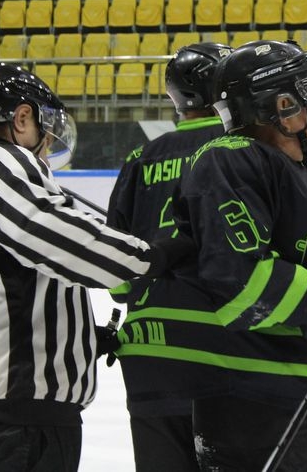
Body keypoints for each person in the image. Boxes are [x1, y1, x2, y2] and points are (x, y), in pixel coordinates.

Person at [118, 40, 307, 471]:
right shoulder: (233, 158)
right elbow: (241, 281)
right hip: (251, 382)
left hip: (284, 381)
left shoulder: (300, 159)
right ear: (282, 106)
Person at [0, 63, 193, 472]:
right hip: (14, 421)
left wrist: (77, 338)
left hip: (2, 416)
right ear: (22, 118)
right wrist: (155, 255)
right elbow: (63, 239)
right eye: (46, 134)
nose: (46, 149)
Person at [105, 42, 231, 471]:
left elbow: (119, 282)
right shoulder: (239, 150)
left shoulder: (139, 159)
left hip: (149, 354)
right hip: (224, 352)